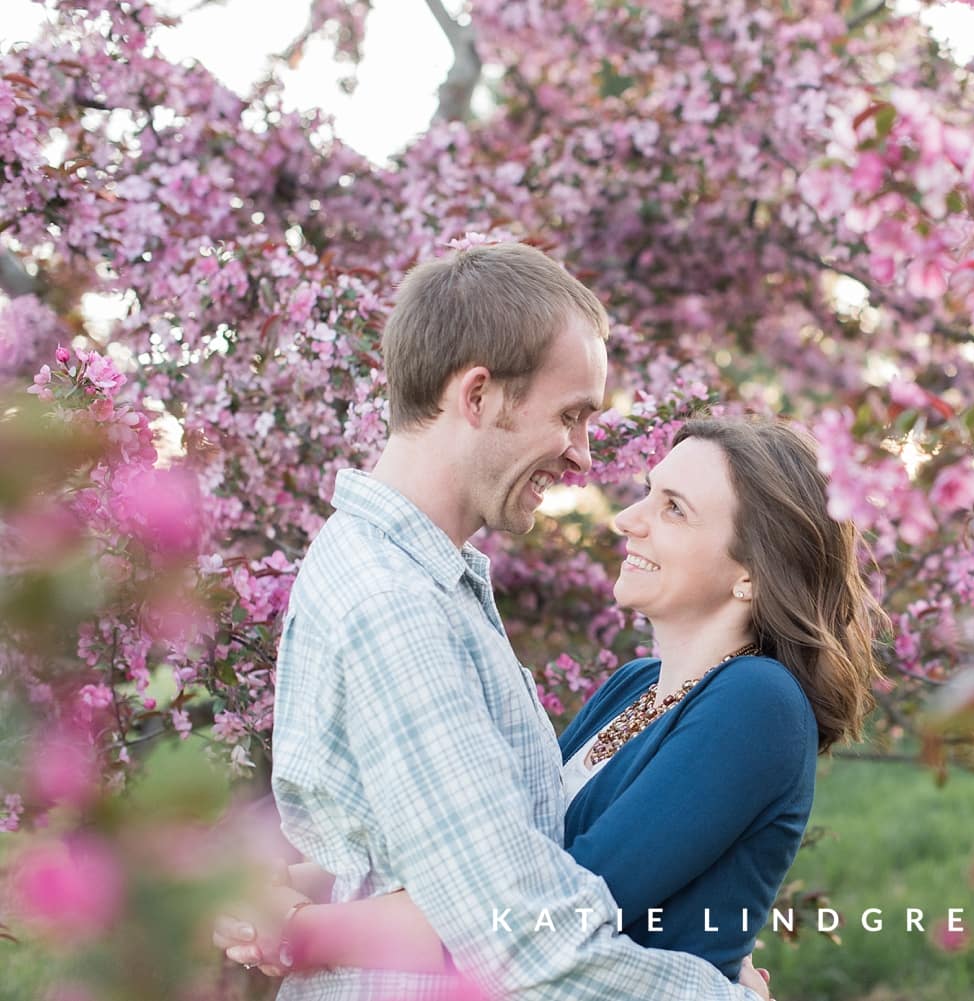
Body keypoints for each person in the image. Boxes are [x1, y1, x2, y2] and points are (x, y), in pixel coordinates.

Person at [219, 243, 789, 1001]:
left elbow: (445, 859)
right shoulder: (396, 603)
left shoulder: (416, 579)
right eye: (570, 415)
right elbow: (521, 941)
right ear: (479, 395)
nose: (586, 459)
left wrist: (288, 901)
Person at [226, 416, 887, 989]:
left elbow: (537, 913)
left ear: (753, 571)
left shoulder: (757, 701)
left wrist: (301, 932)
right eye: (646, 495)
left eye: (674, 508)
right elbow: (497, 857)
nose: (629, 519)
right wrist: (277, 880)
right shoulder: (633, 685)